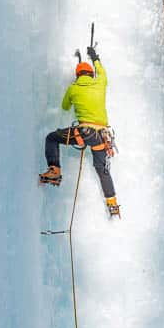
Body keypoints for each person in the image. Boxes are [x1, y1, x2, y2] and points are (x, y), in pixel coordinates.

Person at [39, 46, 120, 217]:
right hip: (101, 137)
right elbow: (102, 72)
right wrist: (95, 57)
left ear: (77, 76)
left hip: (83, 133)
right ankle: (112, 205)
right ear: (91, 75)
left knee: (52, 138)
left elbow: (65, 106)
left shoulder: (73, 88)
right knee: (102, 169)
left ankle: (54, 171)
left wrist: (75, 90)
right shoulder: (100, 83)